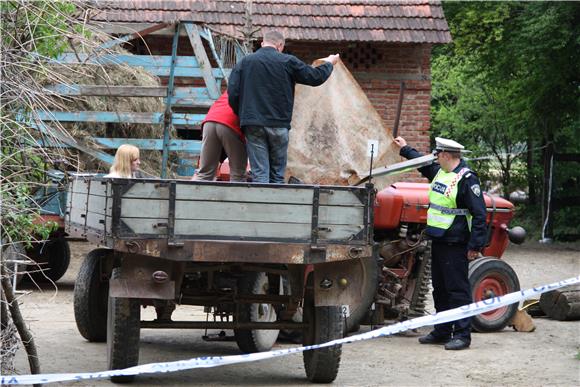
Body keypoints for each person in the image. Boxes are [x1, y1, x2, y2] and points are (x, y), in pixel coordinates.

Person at [393, 136, 487, 350]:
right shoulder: (441, 172)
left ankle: (462, 335)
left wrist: (475, 246)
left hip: (457, 243)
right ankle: (443, 330)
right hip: (439, 239)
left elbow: (480, 215)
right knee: (440, 289)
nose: (435, 158)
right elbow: (422, 162)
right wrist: (405, 148)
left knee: (458, 290)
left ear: (445, 155)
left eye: (438, 154)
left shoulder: (467, 179)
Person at [227, 30, 339, 183]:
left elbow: (232, 92)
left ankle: (261, 204)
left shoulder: (245, 62)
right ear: (280, 46)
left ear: (262, 43)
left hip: (253, 124)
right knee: (276, 176)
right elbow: (314, 77)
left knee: (260, 174)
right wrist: (329, 64)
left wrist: (243, 115)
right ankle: (275, 205)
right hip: (278, 125)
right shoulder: (288, 61)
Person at [194, 91, 247, 181]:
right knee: (238, 174)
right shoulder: (253, 89)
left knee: (204, 173)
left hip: (210, 120)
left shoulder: (233, 87)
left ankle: (190, 194)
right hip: (230, 122)